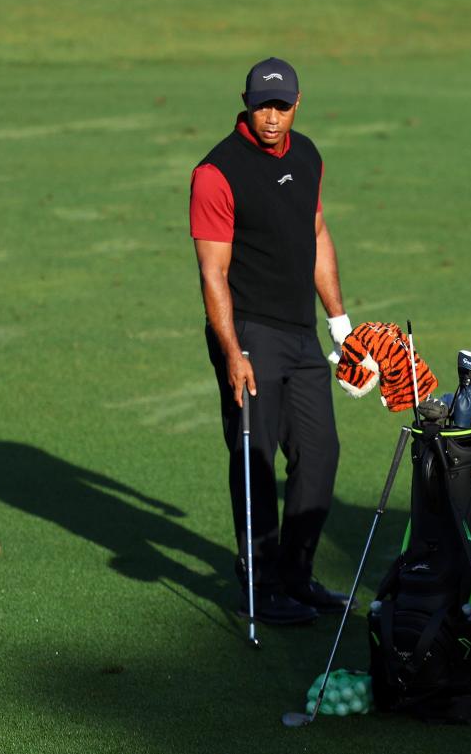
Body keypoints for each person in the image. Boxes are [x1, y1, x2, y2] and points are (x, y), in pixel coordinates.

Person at [189, 58, 354, 625]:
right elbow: (213, 273)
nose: (272, 117)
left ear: (298, 104)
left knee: (320, 451)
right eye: (263, 104)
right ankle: (259, 585)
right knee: (255, 455)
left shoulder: (307, 155)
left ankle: (296, 575)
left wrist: (341, 324)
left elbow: (316, 231)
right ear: (245, 101)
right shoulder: (217, 172)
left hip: (301, 330)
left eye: (282, 106)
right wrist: (232, 351)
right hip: (250, 331)